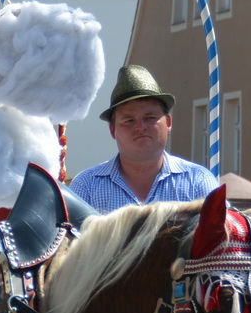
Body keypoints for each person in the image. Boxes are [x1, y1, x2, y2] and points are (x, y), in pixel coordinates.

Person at [67, 64, 218, 213]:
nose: (141, 126)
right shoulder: (86, 187)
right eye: (129, 120)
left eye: (150, 117)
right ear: (112, 130)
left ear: (168, 123)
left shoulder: (199, 182)